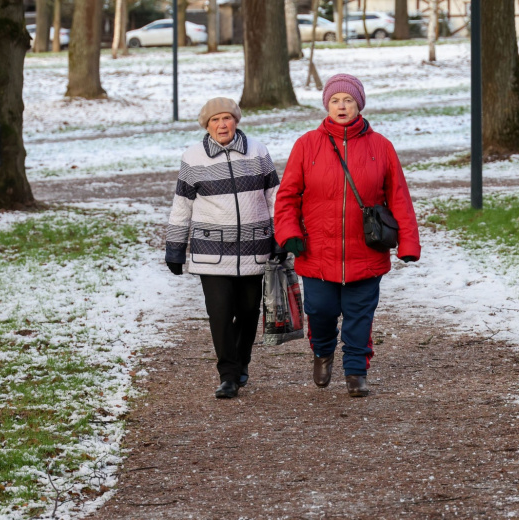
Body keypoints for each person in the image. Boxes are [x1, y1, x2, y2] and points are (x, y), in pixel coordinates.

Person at [274, 74, 421, 398]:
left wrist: (409, 242)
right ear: (327, 105)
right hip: (317, 251)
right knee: (320, 311)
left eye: (348, 100)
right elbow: (287, 197)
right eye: (335, 100)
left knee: (359, 316)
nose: (341, 106)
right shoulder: (306, 145)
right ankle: (322, 351)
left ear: (359, 105)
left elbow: (399, 197)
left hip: (366, 250)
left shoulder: (381, 146)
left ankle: (356, 371)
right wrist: (289, 234)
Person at [165, 97, 283, 399]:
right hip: (211, 252)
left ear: (236, 121)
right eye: (215, 120)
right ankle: (228, 375)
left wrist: (281, 237)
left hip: (254, 248)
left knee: (248, 311)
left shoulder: (258, 152)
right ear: (206, 125)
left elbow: (275, 197)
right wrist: (175, 247)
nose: (221, 125)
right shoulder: (193, 158)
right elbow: (182, 206)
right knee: (219, 313)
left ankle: (242, 361)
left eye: (227, 118)